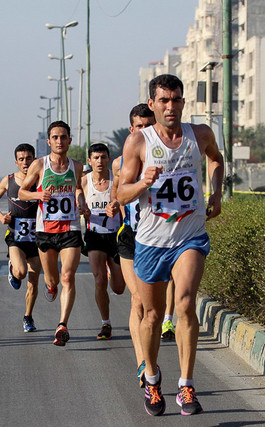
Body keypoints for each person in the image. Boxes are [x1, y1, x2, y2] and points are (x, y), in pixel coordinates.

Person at [118, 74, 224, 416]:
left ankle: (186, 386)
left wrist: (217, 192)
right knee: (150, 316)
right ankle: (151, 380)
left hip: (189, 237)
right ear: (152, 104)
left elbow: (216, 160)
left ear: (183, 102)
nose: (170, 106)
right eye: (163, 100)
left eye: (176, 100)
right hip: (150, 241)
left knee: (185, 303)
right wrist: (142, 183)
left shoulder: (200, 134)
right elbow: (121, 193)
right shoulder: (138, 142)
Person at [18, 121, 89, 346]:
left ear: (69, 140)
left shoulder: (77, 166)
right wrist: (38, 196)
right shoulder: (39, 165)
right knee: (52, 278)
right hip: (46, 230)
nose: (59, 141)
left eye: (63, 137)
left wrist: (81, 203)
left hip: (70, 228)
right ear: (49, 141)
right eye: (55, 137)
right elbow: (22, 192)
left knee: (68, 276)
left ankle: (62, 325)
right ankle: (50, 285)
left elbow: (79, 188)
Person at [111, 104, 156, 384]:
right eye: (139, 126)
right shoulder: (121, 162)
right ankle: (143, 363)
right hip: (130, 236)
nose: (144, 131)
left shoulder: (166, 157)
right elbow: (119, 192)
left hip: (157, 238)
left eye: (148, 126)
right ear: (132, 129)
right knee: (137, 299)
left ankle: (150, 360)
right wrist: (115, 204)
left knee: (153, 308)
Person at [0, 143, 41, 332]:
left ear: (34, 159)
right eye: (21, 159)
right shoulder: (8, 180)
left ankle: (28, 317)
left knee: (33, 282)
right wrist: (1, 216)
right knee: (21, 273)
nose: (25, 162)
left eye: (28, 158)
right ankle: (12, 267)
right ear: (16, 162)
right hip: (16, 236)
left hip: (37, 237)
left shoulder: (41, 180)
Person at [82, 143, 125, 340]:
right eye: (96, 158)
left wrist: (116, 206)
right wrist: (82, 209)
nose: (99, 161)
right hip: (94, 236)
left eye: (103, 157)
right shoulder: (84, 182)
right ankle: (105, 323)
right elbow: (76, 201)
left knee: (118, 288)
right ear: (89, 161)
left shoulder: (117, 181)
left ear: (109, 159)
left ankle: (112, 271)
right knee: (99, 280)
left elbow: (124, 202)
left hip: (115, 235)